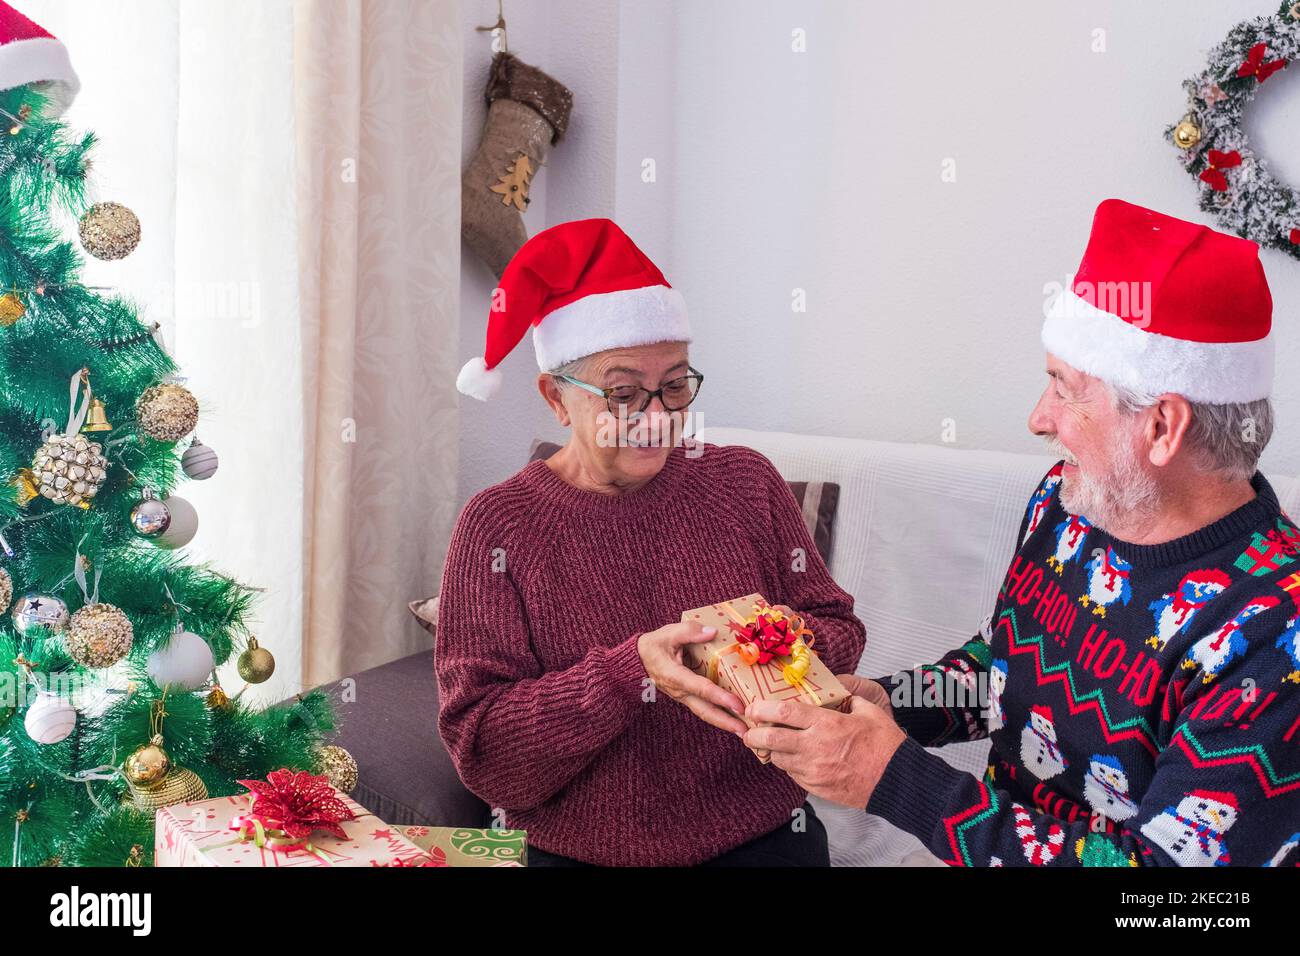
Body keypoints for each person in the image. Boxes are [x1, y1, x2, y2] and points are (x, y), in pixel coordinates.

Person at [743, 199, 1300, 867]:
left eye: (1064, 390)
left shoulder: (1275, 637)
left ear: (1161, 427)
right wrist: (877, 709)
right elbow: (1000, 676)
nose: (1038, 418)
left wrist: (892, 779)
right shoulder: (1069, 506)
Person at [437, 218, 866, 866]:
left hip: (768, 842)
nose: (658, 418)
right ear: (556, 398)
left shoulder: (744, 481)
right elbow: (487, 754)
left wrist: (765, 643)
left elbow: (840, 628)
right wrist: (631, 671)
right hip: (584, 857)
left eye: (673, 386)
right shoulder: (497, 527)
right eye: (623, 393)